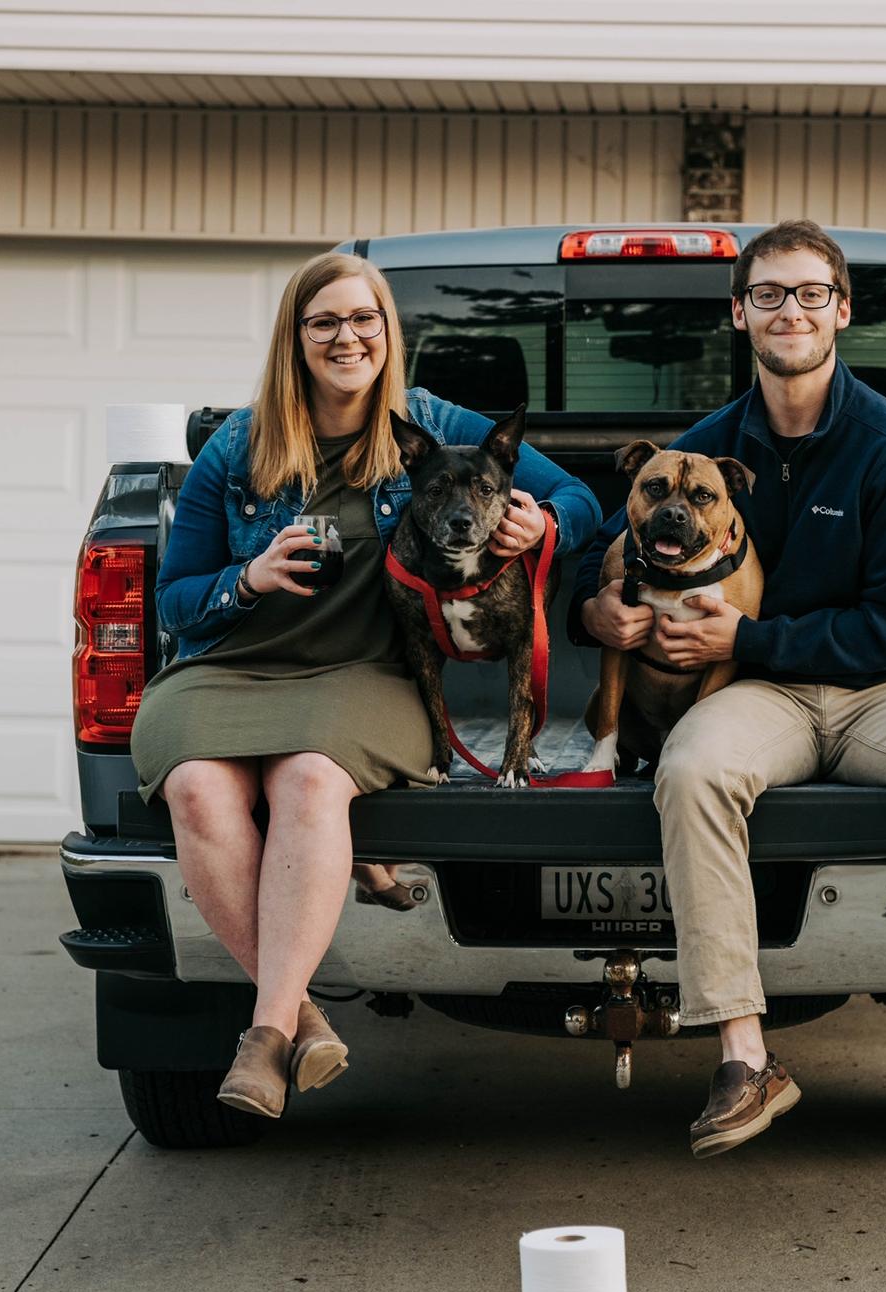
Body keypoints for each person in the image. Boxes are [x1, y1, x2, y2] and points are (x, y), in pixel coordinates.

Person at [571, 220, 886, 1177]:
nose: (791, 311)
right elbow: (610, 549)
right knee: (692, 771)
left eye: (811, 293)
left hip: (885, 689)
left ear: (842, 311)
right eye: (770, 294)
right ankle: (745, 1057)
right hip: (761, 695)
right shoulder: (702, 452)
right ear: (739, 313)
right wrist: (595, 611)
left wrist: (746, 638)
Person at [132, 252, 600, 1119]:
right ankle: (295, 1019)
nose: (347, 337)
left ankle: (264, 1035)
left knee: (309, 780)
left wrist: (541, 523)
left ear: (388, 330)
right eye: (324, 322)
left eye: (364, 319)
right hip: (233, 666)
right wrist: (249, 578)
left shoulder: (429, 423)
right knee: (196, 787)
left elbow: (577, 497)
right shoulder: (238, 445)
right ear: (295, 337)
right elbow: (175, 600)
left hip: (365, 674)